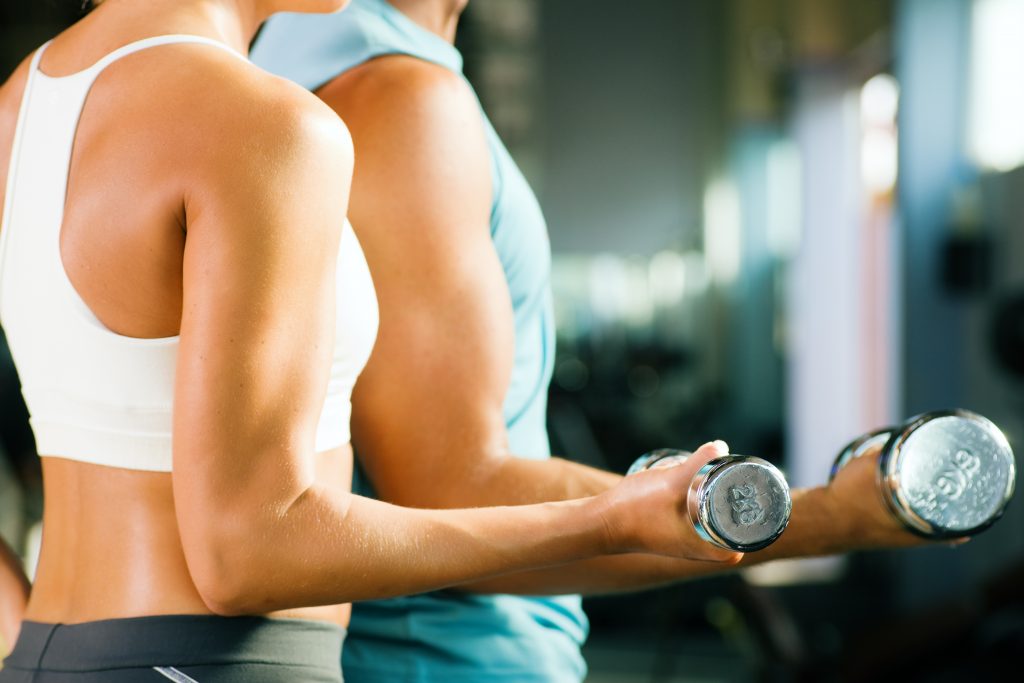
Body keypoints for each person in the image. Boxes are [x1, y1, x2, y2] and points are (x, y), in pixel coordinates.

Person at [0, 0, 747, 680]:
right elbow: (246, 549)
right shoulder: (266, 124)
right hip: (220, 660)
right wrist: (610, 518)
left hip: (48, 651)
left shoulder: (22, 102)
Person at [250, 2, 927, 682]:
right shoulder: (402, 98)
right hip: (446, 659)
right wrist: (828, 515)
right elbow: (454, 489)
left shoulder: (301, 64)